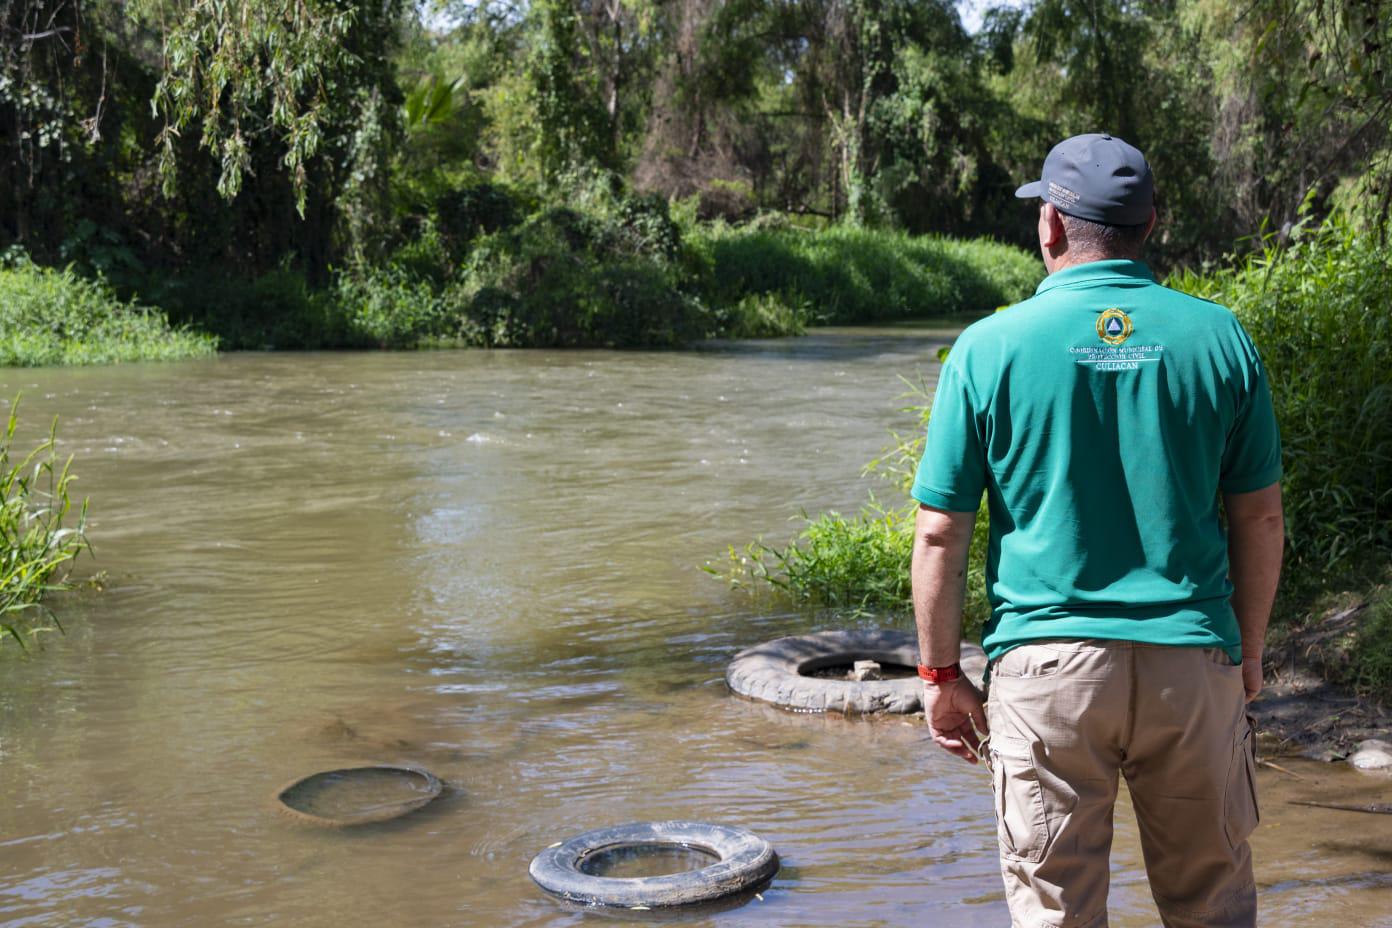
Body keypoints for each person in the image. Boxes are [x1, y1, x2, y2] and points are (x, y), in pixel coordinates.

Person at [908, 133, 1285, 928]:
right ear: (1149, 225)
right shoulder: (1220, 337)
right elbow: (1258, 515)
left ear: (1050, 224)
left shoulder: (988, 347)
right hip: (1191, 665)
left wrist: (941, 676)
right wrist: (1246, 653)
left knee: (1057, 913)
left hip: (1047, 673)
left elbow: (941, 531)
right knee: (1213, 907)